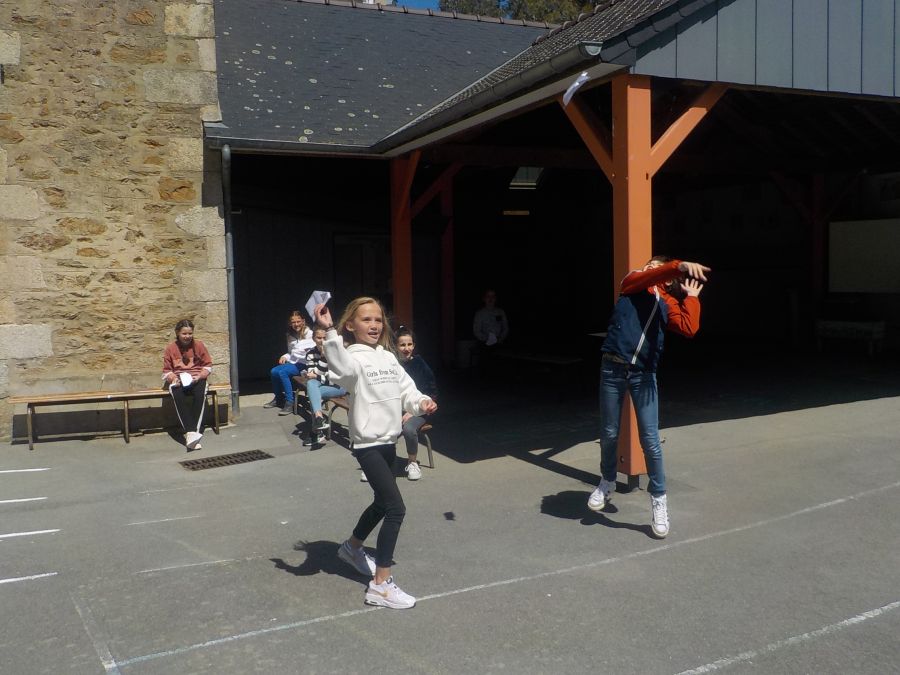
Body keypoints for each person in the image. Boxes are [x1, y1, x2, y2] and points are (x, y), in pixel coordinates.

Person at [314, 297, 437, 610]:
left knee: (383, 503)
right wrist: (329, 331)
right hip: (367, 444)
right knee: (396, 509)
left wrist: (421, 402)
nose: (374, 325)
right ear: (351, 325)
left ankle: (352, 547)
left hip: (388, 440)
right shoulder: (352, 358)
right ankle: (380, 585)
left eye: (378, 320)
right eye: (366, 319)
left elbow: (407, 390)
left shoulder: (388, 357)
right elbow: (342, 371)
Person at [588, 256, 710, 539]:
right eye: (650, 265)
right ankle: (607, 481)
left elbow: (689, 327)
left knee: (651, 441)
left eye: (656, 266)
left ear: (667, 280)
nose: (649, 268)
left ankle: (659, 499)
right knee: (609, 433)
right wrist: (677, 266)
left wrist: (691, 298)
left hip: (643, 375)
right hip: (612, 368)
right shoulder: (632, 283)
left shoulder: (666, 302)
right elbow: (646, 277)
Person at [162, 319, 213, 450]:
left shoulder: (199, 346)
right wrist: (174, 378)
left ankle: (191, 433)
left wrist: (200, 376)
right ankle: (192, 433)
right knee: (178, 395)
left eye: (190, 333)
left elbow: (208, 366)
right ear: (177, 333)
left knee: (200, 395)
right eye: (184, 333)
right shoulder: (171, 348)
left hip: (197, 378)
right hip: (179, 378)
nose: (187, 336)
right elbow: (167, 371)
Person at [395, 326, 437, 481]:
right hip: (396, 409)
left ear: (414, 345)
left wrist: (413, 411)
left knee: (408, 429)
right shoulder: (392, 365)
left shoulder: (420, 365)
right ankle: (379, 463)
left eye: (409, 344)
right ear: (396, 346)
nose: (406, 348)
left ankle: (412, 463)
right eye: (402, 345)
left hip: (419, 410)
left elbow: (432, 392)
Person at [299, 326, 347, 447]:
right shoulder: (310, 354)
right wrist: (322, 364)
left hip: (339, 387)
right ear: (313, 339)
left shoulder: (337, 352)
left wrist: (324, 359)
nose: (322, 341)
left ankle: (316, 433)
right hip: (323, 384)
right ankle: (319, 418)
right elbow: (311, 376)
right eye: (318, 338)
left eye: (325, 338)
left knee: (313, 391)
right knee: (312, 385)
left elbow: (338, 378)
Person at [264, 311, 314, 416]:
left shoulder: (309, 334)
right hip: (294, 362)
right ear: (290, 323)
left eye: (298, 321)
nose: (296, 324)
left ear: (303, 321)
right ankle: (278, 398)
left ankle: (289, 402)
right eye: (293, 322)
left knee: (283, 372)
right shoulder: (290, 335)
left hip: (305, 364)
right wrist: (285, 356)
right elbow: (291, 353)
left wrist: (299, 353)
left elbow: (311, 352)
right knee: (274, 371)